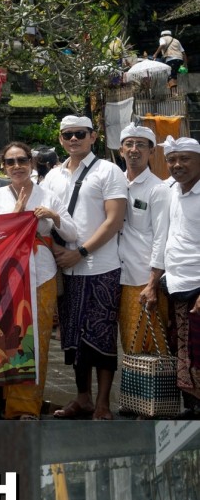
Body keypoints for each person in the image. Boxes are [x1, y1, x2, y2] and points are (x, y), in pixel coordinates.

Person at [0, 140, 76, 419]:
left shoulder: (48, 195)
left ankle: (28, 408)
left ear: (31, 163)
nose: (16, 167)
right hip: (9, 278)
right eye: (10, 162)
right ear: (4, 167)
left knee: (39, 342)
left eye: (21, 160)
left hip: (42, 275)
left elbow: (72, 234)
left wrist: (54, 216)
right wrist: (15, 216)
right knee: (12, 341)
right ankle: (11, 404)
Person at [42, 115, 128, 421]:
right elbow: (44, 219)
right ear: (61, 139)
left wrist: (80, 251)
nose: (74, 139)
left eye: (80, 134)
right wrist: (58, 251)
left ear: (93, 137)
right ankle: (83, 398)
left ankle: (103, 402)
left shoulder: (108, 171)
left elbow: (114, 220)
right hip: (66, 266)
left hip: (100, 265)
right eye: (68, 135)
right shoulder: (53, 175)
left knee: (102, 335)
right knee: (74, 336)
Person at [141, 136, 200, 416]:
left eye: (185, 159)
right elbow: (162, 239)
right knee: (182, 351)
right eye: (172, 160)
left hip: (198, 288)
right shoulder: (169, 191)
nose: (177, 165)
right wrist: (153, 283)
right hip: (176, 285)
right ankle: (192, 407)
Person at [114, 125, 171, 359]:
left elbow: (161, 237)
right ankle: (134, 395)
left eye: (141, 145)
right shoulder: (114, 183)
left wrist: (153, 282)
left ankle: (152, 396)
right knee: (129, 344)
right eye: (129, 144)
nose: (134, 149)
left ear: (151, 152)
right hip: (118, 275)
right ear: (121, 150)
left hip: (144, 278)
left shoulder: (158, 189)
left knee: (150, 346)